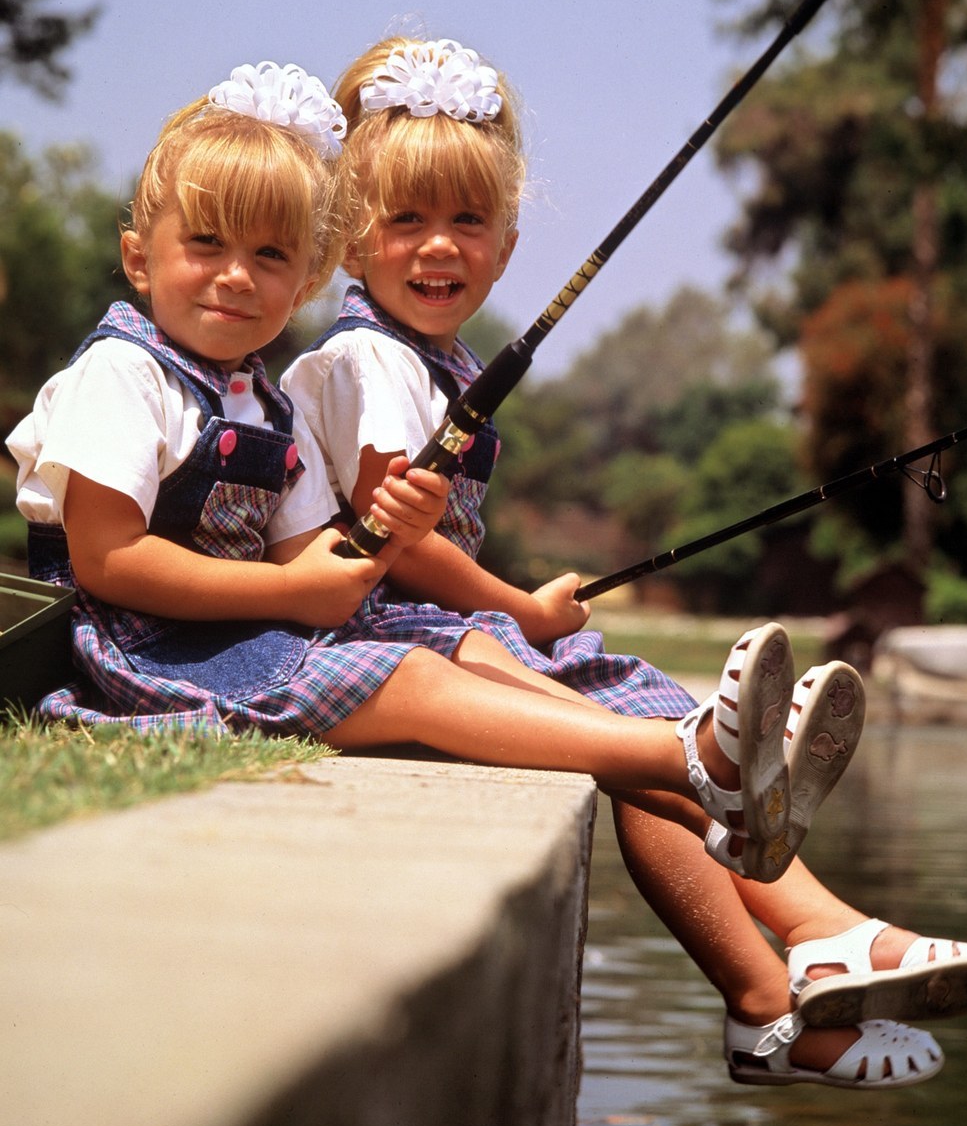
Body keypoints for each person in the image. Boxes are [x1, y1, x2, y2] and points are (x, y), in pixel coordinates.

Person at [282, 36, 967, 1087]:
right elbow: (397, 548)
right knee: (656, 744)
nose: (438, 246)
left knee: (652, 724)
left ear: (507, 243)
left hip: (443, 626)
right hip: (394, 636)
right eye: (405, 220)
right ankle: (805, 953)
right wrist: (521, 613)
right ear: (351, 241)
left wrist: (519, 607)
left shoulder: (423, 360)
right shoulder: (364, 360)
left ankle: (790, 971)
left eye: (467, 222)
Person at [4, 58, 840, 890]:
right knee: (408, 672)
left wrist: (384, 532)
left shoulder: (264, 403)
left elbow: (311, 557)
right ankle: (691, 755)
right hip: (146, 655)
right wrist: (294, 595)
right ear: (138, 258)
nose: (236, 274)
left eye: (269, 253)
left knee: (428, 666)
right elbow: (107, 561)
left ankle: (719, 798)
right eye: (207, 242)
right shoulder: (121, 374)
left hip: (242, 638)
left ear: (303, 281)